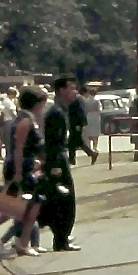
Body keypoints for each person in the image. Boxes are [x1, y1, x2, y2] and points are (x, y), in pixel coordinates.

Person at [0, 86, 47, 255]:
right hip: (20, 166)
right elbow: (19, 148)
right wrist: (19, 173)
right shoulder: (25, 121)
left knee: (20, 203)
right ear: (37, 103)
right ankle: (22, 243)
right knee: (31, 202)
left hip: (24, 164)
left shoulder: (27, 119)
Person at [42, 77, 81, 251]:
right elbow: (53, 142)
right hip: (57, 161)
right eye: (72, 88)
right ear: (61, 90)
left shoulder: (62, 110)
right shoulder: (56, 113)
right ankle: (61, 238)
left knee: (59, 201)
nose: (75, 92)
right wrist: (56, 167)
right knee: (64, 201)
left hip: (59, 159)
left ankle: (62, 237)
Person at [66, 87, 97, 166]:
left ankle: (91, 154)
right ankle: (72, 159)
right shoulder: (77, 99)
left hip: (76, 124)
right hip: (74, 123)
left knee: (76, 141)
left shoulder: (77, 100)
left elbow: (80, 112)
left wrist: (79, 124)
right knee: (75, 142)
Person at [82, 87, 102, 156]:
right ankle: (95, 147)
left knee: (88, 133)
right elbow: (99, 109)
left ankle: (89, 147)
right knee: (95, 133)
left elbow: (84, 109)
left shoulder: (85, 100)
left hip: (88, 116)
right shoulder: (97, 100)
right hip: (95, 117)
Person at [0, 87, 18, 159]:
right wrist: (18, 119)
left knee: (6, 138)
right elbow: (12, 112)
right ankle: (10, 154)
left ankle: (8, 154)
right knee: (9, 138)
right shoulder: (9, 102)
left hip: (5, 120)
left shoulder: (4, 100)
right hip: (10, 121)